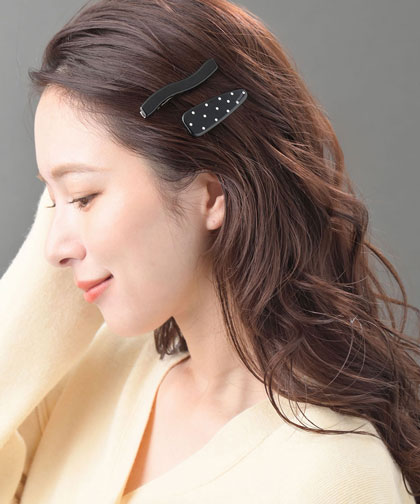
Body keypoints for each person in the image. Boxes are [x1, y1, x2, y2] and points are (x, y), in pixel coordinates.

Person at [1, 0, 419, 502]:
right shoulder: (93, 375)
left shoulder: (331, 475)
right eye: (51, 201)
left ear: (212, 195)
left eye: (85, 196)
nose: (52, 249)